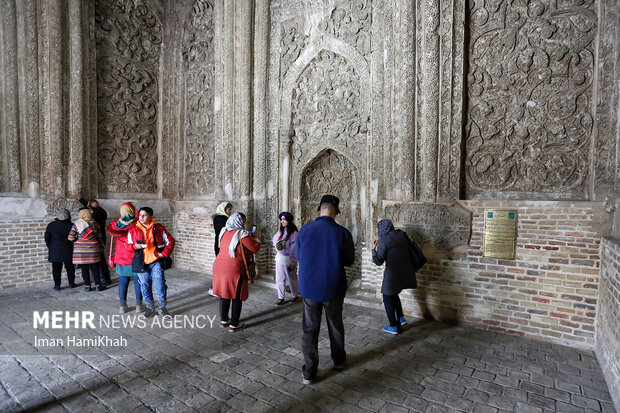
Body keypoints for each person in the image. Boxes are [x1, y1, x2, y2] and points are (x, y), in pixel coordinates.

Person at [295, 195, 355, 384]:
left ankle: (309, 372)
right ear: (335, 212)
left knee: (309, 329)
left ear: (319, 209)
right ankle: (338, 361)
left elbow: (298, 255)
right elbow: (349, 260)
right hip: (333, 287)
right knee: (335, 325)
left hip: (310, 287)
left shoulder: (304, 230)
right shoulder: (342, 233)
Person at [371, 219, 425, 334]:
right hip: (406, 271)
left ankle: (393, 326)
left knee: (386, 297)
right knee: (394, 294)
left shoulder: (384, 240)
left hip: (393, 273)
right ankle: (400, 318)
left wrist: (373, 250)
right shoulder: (402, 235)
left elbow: (379, 261)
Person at [212, 213, 261, 332]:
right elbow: (255, 248)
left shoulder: (224, 231)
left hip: (219, 265)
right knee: (236, 295)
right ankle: (234, 324)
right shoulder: (242, 234)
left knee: (225, 293)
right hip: (233, 268)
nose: (245, 223)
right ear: (240, 221)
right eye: (244, 221)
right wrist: (256, 238)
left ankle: (224, 320)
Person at [128, 207, 175, 318]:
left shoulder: (158, 228)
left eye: (144, 215)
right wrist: (135, 246)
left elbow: (170, 241)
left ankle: (162, 308)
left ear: (150, 216)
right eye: (140, 215)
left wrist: (163, 254)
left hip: (155, 262)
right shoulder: (133, 229)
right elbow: (128, 246)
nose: (141, 217)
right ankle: (150, 308)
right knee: (145, 286)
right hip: (141, 263)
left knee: (160, 285)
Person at [107, 202, 144, 314]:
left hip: (121, 258)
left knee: (123, 281)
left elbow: (125, 217)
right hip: (135, 256)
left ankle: (122, 306)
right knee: (138, 281)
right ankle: (139, 306)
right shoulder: (137, 223)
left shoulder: (116, 225)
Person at [76, 193, 111, 285]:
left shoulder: (93, 220)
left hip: (96, 241)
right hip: (100, 239)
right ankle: (104, 278)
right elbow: (89, 206)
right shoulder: (101, 211)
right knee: (100, 259)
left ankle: (105, 278)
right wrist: (81, 200)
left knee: (100, 260)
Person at [68, 208, 105, 291]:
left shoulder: (76, 224)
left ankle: (87, 286)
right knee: (95, 268)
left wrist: (78, 241)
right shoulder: (95, 224)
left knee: (84, 269)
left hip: (81, 250)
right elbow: (99, 237)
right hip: (93, 249)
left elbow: (70, 237)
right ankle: (98, 286)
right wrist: (101, 246)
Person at [44, 208, 76, 290]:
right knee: (70, 268)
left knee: (56, 269)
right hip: (68, 249)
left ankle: (57, 285)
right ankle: (71, 284)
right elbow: (75, 238)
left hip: (55, 249)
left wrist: (50, 247)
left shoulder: (52, 225)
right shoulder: (71, 225)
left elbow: (47, 237)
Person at [272, 211, 299, 305]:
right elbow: (274, 241)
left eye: (284, 219)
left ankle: (294, 295)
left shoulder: (294, 233)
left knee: (292, 278)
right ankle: (280, 297)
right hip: (279, 258)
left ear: (289, 220)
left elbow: (293, 248)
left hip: (288, 259)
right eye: (281, 219)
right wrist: (279, 248)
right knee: (279, 278)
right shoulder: (280, 231)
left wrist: (293, 262)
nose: (282, 221)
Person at [209, 202, 232, 296]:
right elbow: (224, 231)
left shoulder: (224, 218)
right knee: (221, 268)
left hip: (222, 244)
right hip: (221, 245)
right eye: (229, 209)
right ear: (224, 209)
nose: (230, 211)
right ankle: (215, 289)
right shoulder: (220, 218)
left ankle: (219, 288)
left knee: (222, 268)